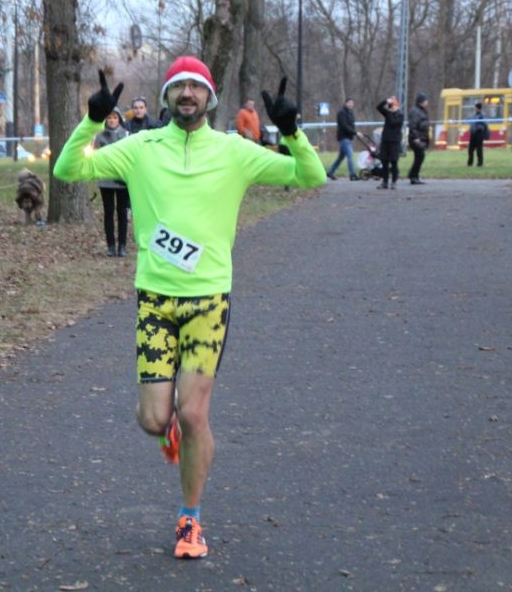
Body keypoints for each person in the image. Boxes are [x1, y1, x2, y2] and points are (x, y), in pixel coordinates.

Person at [53, 56, 325, 559]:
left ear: (209, 98)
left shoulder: (234, 151)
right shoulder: (139, 149)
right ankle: (167, 425)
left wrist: (292, 132)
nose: (187, 94)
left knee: (194, 412)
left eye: (196, 87)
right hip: (155, 301)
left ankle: (190, 519)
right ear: (166, 97)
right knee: (154, 420)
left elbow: (311, 177)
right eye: (178, 86)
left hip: (208, 301)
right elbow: (67, 169)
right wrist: (91, 121)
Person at [94, 107, 130, 257]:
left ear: (119, 119)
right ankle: (110, 245)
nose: (112, 120)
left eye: (115, 118)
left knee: (122, 212)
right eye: (109, 118)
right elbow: (95, 156)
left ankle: (122, 245)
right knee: (108, 212)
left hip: (122, 179)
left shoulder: (126, 135)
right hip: (106, 179)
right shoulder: (100, 136)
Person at [375, 95, 403, 189]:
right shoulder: (388, 113)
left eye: (393, 104)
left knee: (394, 161)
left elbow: (393, 122)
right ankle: (385, 182)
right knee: (384, 161)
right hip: (385, 140)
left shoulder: (400, 114)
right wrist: (386, 101)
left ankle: (394, 181)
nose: (391, 106)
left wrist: (389, 112)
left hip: (394, 141)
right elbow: (378, 107)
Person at [328, 98, 358, 181]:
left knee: (340, 157)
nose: (351, 104)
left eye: (352, 103)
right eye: (349, 102)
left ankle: (330, 172)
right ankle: (352, 174)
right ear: (346, 103)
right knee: (350, 155)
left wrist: (354, 133)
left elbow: (351, 125)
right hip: (343, 137)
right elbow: (344, 126)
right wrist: (355, 132)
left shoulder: (350, 113)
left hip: (349, 137)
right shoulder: (341, 113)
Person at [407, 93, 430, 185]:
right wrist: (415, 137)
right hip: (416, 138)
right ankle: (413, 176)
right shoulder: (415, 111)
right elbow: (413, 125)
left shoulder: (421, 111)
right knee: (420, 156)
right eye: (425, 100)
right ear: (421, 101)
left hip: (421, 137)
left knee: (419, 157)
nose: (427, 102)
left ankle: (414, 175)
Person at [468, 102, 488, 167]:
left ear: (478, 108)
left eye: (475, 108)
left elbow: (483, 125)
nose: (474, 109)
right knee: (470, 149)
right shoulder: (474, 115)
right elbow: (472, 123)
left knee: (479, 149)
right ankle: (470, 163)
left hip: (479, 134)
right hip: (473, 134)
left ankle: (480, 163)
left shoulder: (482, 115)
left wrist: (478, 127)